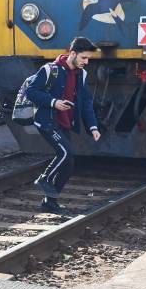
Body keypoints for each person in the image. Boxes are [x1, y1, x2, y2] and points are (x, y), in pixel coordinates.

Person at [27, 37, 101, 214]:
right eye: (83, 58)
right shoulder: (50, 69)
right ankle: (43, 179)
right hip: (47, 122)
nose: (86, 62)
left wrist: (93, 127)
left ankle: (50, 201)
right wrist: (53, 102)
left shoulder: (81, 74)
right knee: (66, 153)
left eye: (88, 58)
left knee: (68, 164)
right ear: (72, 53)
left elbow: (86, 102)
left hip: (65, 123)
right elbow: (31, 91)